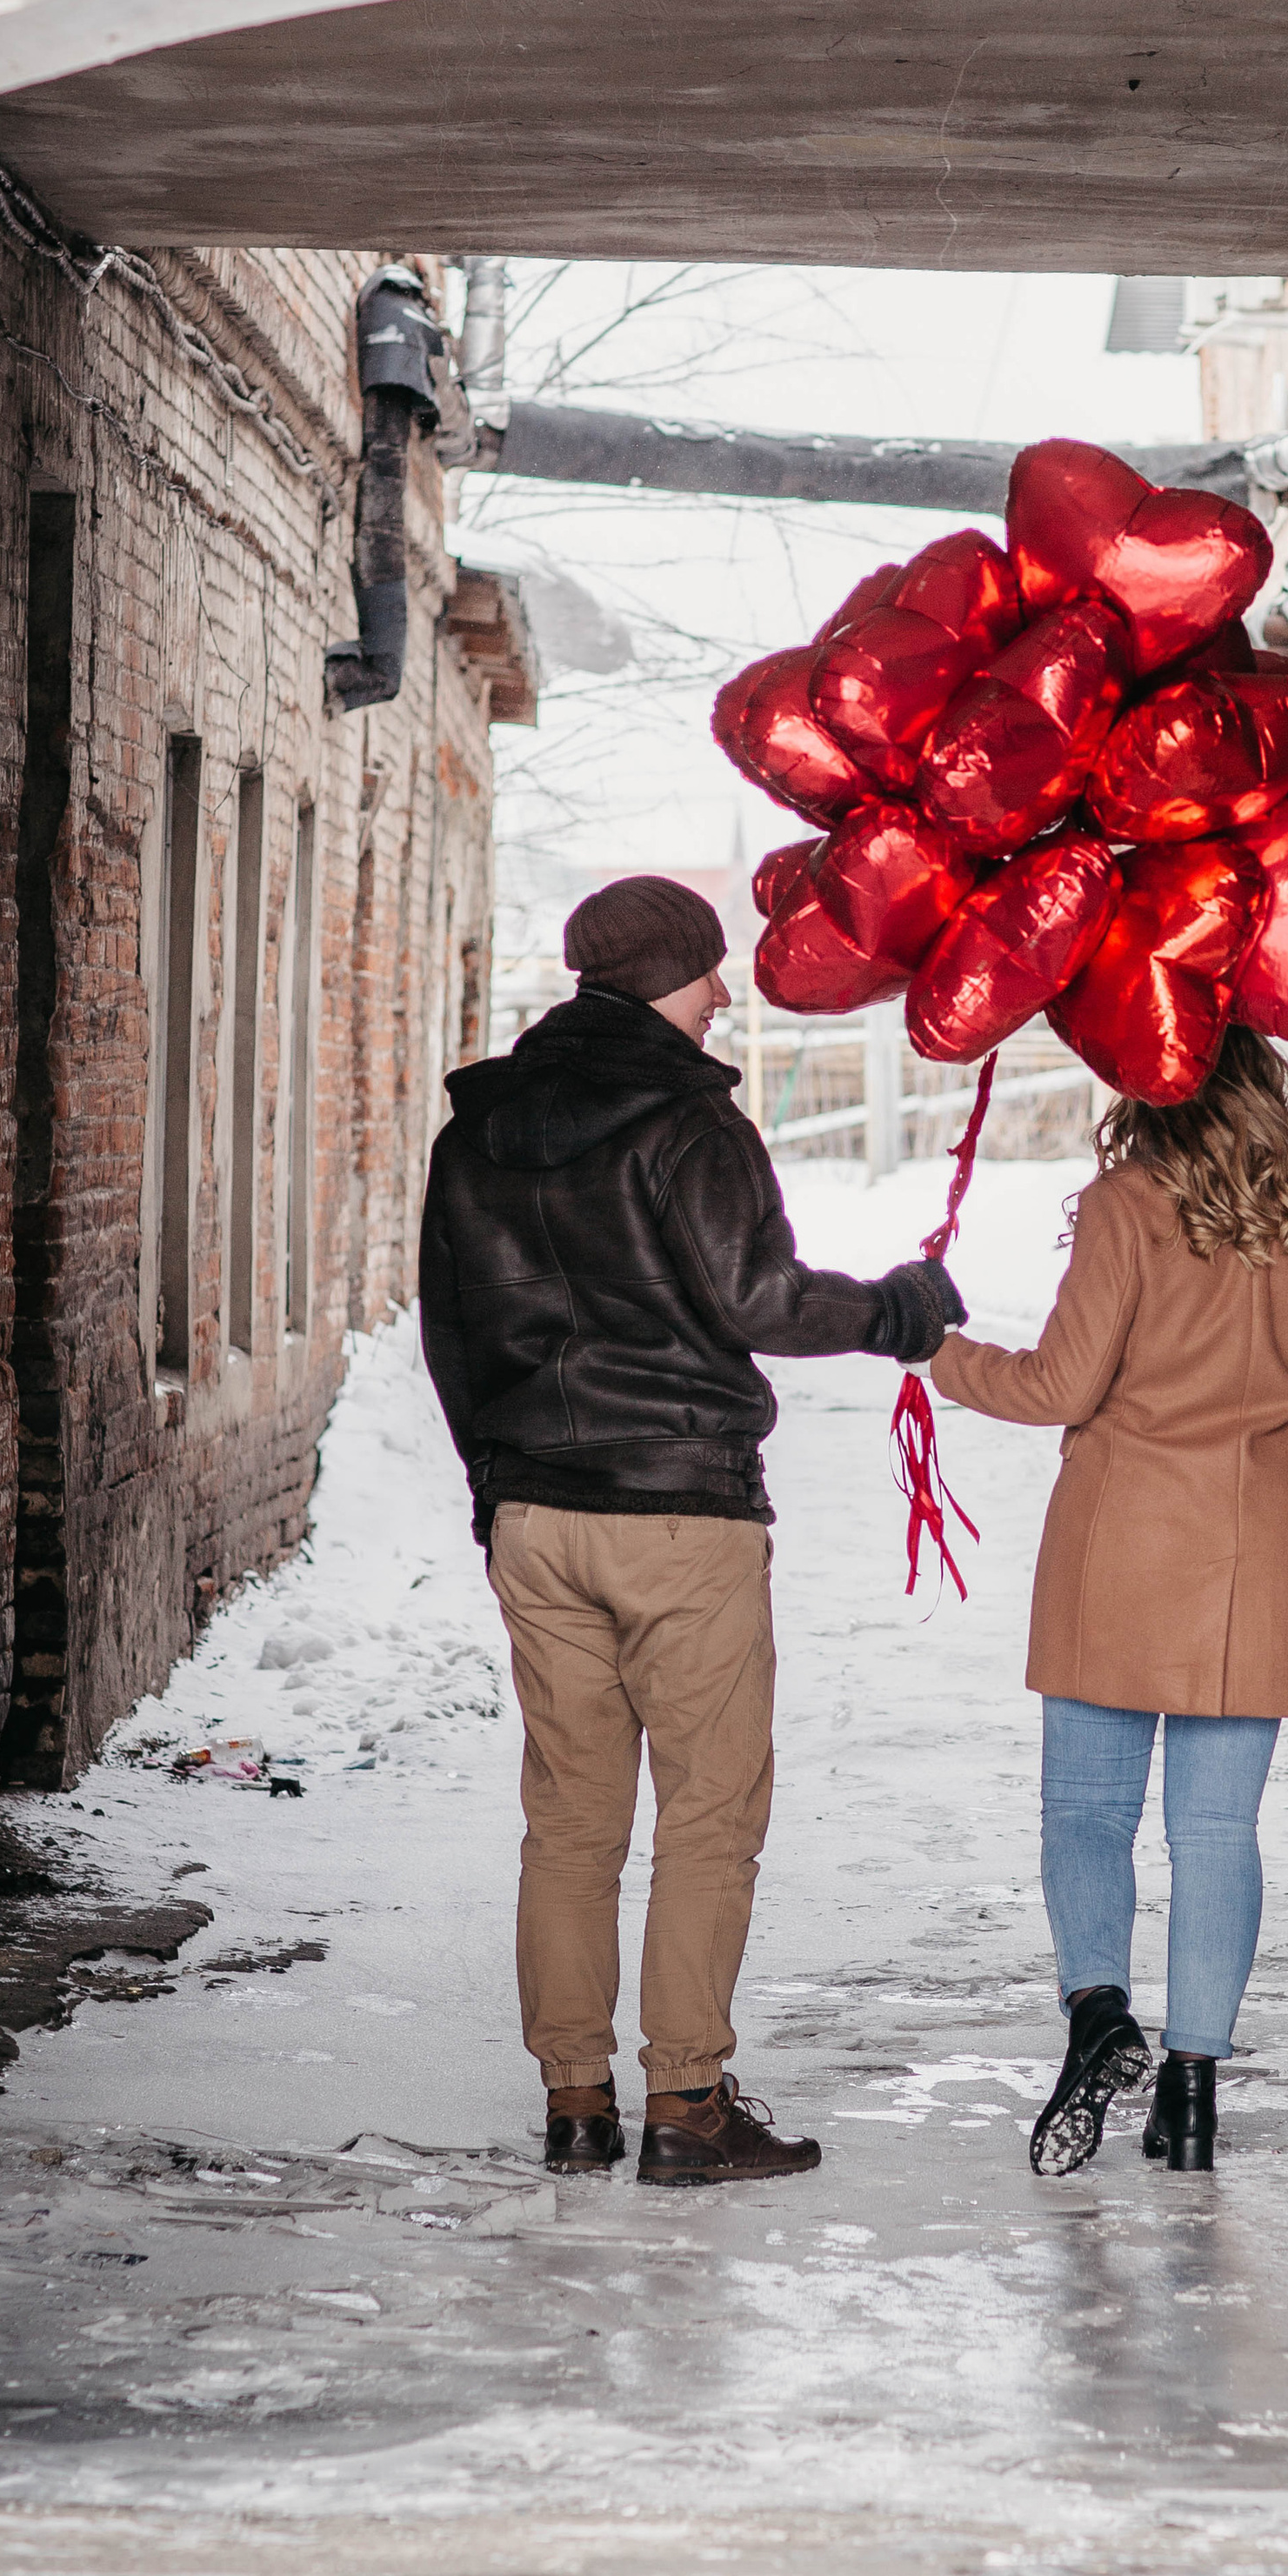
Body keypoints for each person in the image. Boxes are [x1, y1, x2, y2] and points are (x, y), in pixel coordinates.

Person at [420, 875, 964, 2186]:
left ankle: (575, 2104)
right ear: (664, 976)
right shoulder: (688, 1123)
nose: (727, 992)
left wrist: (500, 1483)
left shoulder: (474, 1135)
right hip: (680, 1512)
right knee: (709, 1817)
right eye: (711, 971)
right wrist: (895, 1308)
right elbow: (759, 1298)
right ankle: (688, 2108)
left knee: (570, 1824)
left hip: (536, 1515)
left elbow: (452, 1336)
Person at [928, 1029, 1288, 2177]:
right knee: (1218, 1834)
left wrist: (944, 1356)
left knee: (1086, 1816)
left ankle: (1097, 2014)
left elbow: (1063, 1385)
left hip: (1117, 1550)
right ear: (1262, 1082)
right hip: (1259, 1559)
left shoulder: (1126, 1203)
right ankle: (1190, 2098)